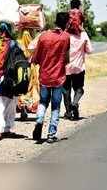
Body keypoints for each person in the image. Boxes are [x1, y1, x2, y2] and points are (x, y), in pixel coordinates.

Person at [31, 12, 70, 143]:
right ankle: (51, 134)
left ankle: (39, 119)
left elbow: (36, 57)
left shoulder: (44, 36)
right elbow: (66, 58)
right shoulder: (65, 37)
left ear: (55, 21)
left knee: (43, 102)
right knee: (55, 106)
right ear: (66, 23)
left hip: (44, 76)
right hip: (58, 77)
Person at [63, 30, 93, 120]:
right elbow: (90, 50)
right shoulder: (83, 34)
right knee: (79, 89)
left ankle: (68, 112)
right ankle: (75, 103)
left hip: (66, 67)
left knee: (66, 90)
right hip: (79, 68)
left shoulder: (65, 35)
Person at [17, 29, 40, 120]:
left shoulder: (19, 44)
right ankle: (30, 106)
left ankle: (22, 107)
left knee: (22, 89)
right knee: (30, 90)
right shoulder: (33, 44)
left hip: (20, 70)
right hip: (31, 70)